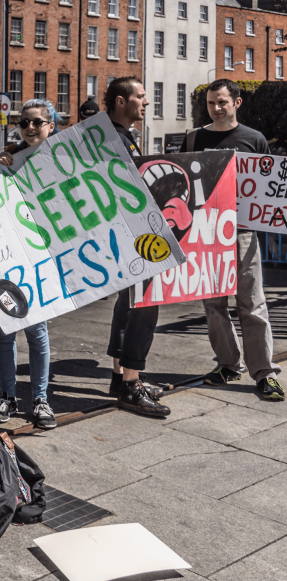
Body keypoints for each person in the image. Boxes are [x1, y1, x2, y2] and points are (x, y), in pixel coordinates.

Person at [179, 79, 284, 401]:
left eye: (222, 102)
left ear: (236, 103)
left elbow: (266, 189)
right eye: (211, 103)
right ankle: (227, 363)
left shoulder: (254, 139)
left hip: (242, 233)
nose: (216, 108)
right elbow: (182, 180)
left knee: (252, 302)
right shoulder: (195, 138)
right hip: (206, 233)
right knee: (213, 304)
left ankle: (264, 373)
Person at [0, 99, 61, 430]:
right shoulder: (9, 159)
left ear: (51, 125)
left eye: (37, 122)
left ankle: (40, 399)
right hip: (7, 255)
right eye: (24, 123)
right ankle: (7, 395)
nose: (30, 128)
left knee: (37, 332)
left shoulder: (64, 159)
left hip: (42, 256)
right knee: (5, 331)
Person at [103, 77, 170, 417]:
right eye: (140, 96)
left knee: (127, 305)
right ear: (120, 101)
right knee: (145, 305)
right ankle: (131, 385)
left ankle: (122, 377)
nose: (145, 102)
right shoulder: (109, 136)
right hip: (127, 237)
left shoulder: (119, 135)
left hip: (127, 235)